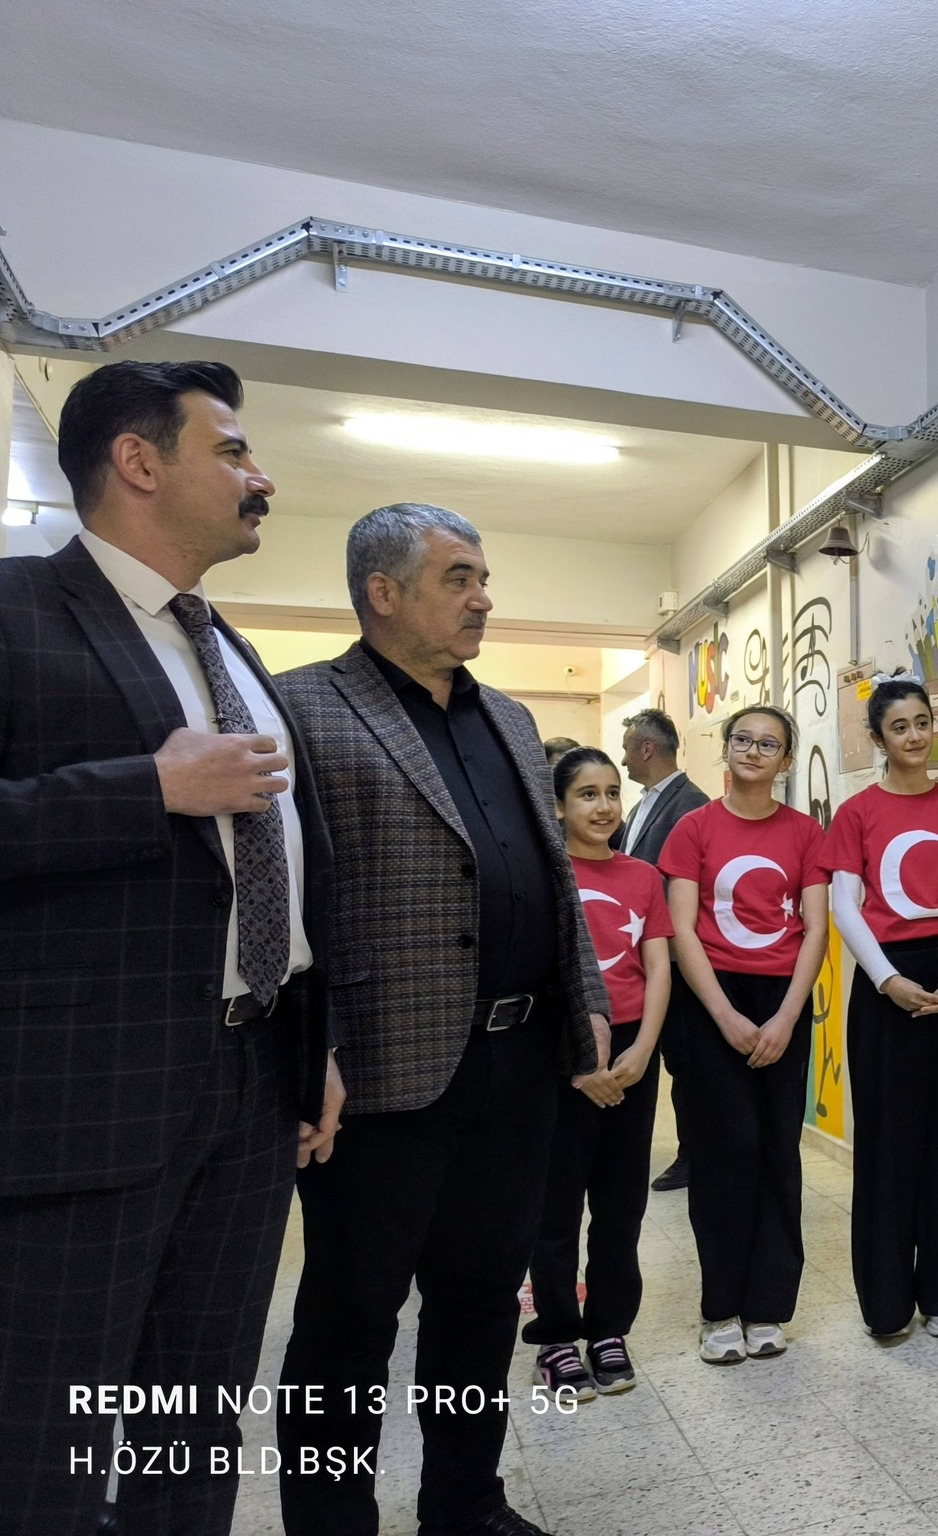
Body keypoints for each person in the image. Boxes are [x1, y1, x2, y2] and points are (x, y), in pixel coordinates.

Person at [0, 359, 341, 1536]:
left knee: (193, 1419)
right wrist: (144, 788)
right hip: (81, 1105)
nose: (262, 478)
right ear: (139, 462)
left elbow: (281, 864)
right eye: (233, 451)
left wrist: (313, 1043)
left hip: (250, 1085)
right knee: (43, 1436)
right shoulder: (16, 609)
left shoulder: (225, 644)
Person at [275, 503, 611, 1536]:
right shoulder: (302, 708)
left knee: (479, 1304)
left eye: (482, 577)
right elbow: (278, 895)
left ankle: (465, 1504)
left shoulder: (507, 716)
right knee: (349, 1321)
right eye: (459, 578)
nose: (484, 598)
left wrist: (585, 998)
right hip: (382, 1074)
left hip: (517, 1069)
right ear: (383, 592)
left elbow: (550, 877)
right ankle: (332, 1521)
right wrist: (310, 1048)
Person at [822, 678, 938, 1339]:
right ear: (878, 738)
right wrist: (886, 980)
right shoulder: (856, 813)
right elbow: (845, 906)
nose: (915, 735)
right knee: (888, 1144)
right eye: (899, 726)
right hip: (886, 985)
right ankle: (888, 1303)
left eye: (922, 722)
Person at [659, 706, 827, 1363]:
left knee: (778, 1153)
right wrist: (724, 1015)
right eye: (743, 740)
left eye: (769, 744)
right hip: (711, 1001)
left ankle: (768, 1308)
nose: (754, 751)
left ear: (786, 760)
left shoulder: (806, 833)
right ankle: (720, 1310)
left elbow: (816, 929)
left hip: (783, 1001)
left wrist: (786, 1017)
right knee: (724, 1155)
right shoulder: (693, 829)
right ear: (726, 749)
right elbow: (681, 928)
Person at [525, 747, 672, 1400]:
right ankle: (556, 1337)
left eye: (612, 792)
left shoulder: (642, 876)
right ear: (558, 805)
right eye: (587, 794)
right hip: (561, 1054)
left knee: (620, 1205)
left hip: (634, 1052)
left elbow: (658, 967)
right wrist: (581, 1065)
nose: (605, 806)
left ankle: (610, 1329)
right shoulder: (543, 875)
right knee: (556, 1207)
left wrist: (641, 1054)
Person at [613, 706, 709, 1193]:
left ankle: (695, 1154)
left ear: (647, 748)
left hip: (677, 958)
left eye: (627, 749)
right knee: (671, 1059)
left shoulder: (690, 805)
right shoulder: (641, 806)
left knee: (686, 1061)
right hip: (647, 957)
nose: (623, 759)